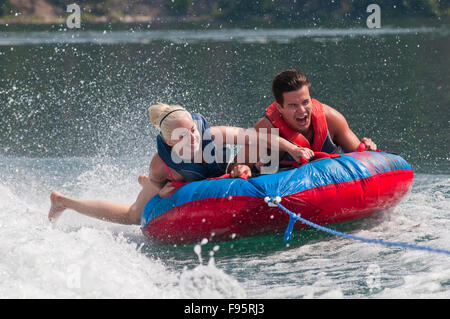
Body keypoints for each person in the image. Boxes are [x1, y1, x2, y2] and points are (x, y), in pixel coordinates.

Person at [48, 103, 307, 226]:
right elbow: (155, 192)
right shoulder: (160, 165)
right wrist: (159, 193)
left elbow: (255, 136)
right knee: (133, 216)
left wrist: (294, 149)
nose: (193, 138)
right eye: (183, 137)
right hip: (174, 180)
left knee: (252, 154)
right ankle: (64, 202)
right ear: (170, 142)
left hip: (217, 172)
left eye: (193, 131)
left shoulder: (211, 134)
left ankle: (149, 184)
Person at [230, 69, 377, 175]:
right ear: (279, 108)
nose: (302, 111)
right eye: (293, 105)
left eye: (306, 102)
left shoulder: (332, 120)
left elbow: (361, 160)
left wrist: (368, 149)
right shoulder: (266, 129)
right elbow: (236, 167)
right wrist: (241, 169)